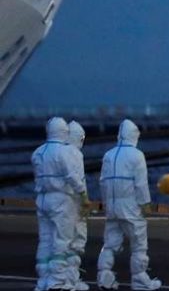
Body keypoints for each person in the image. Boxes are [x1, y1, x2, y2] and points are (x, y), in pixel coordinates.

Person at [97, 119, 161, 290]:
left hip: (112, 206)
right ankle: (139, 279)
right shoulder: (137, 155)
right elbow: (140, 183)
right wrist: (145, 203)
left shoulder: (108, 155)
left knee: (110, 242)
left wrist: (106, 202)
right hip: (130, 206)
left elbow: (102, 182)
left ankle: (104, 276)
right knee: (139, 243)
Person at [33, 117, 89, 291]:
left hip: (42, 198)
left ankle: (43, 280)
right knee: (62, 240)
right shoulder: (64, 152)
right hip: (61, 199)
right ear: (64, 132)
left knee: (45, 240)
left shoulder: (38, 152)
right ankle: (57, 282)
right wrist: (83, 195)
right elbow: (71, 176)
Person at [67, 120, 90, 291]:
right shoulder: (75, 154)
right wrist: (85, 201)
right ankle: (70, 280)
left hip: (57, 205)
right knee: (76, 240)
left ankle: (59, 279)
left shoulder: (56, 152)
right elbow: (78, 181)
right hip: (72, 204)